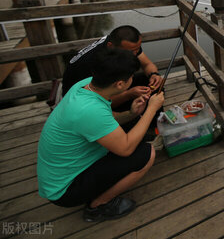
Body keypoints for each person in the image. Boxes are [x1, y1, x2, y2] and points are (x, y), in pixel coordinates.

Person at [37, 48, 165, 221]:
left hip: (65, 170)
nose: (133, 79)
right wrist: (152, 108)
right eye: (131, 77)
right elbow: (125, 149)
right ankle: (98, 207)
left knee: (134, 128)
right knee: (146, 154)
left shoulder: (87, 85)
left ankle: (97, 193)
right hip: (64, 189)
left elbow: (107, 119)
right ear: (120, 84)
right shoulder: (88, 110)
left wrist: (132, 113)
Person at [62, 26, 163, 116]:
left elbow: (147, 64)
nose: (135, 54)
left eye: (137, 49)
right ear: (110, 46)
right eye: (131, 51)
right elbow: (97, 100)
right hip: (78, 102)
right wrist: (128, 94)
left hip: (97, 90)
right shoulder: (98, 63)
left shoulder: (121, 45)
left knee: (149, 81)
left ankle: (156, 122)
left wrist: (154, 75)